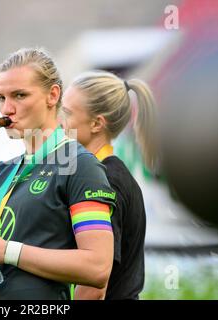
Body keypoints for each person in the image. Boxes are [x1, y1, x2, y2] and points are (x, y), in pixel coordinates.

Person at [0, 48, 116, 300]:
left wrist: (7, 251)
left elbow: (97, 267)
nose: (7, 108)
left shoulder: (81, 165)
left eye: (19, 95)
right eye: (1, 97)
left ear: (53, 95)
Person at [60, 71, 156, 299]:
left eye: (66, 113)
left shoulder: (106, 180)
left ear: (96, 123)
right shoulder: (106, 173)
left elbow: (94, 285)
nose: (58, 122)